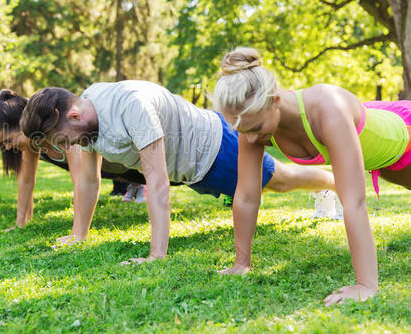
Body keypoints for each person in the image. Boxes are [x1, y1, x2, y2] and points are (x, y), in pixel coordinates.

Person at [20, 81, 339, 263]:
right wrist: (78, 236)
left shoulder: (131, 106)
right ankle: (325, 182)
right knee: (276, 182)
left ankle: (329, 182)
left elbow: (156, 182)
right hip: (192, 171)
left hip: (216, 149)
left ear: (73, 115)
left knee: (280, 181)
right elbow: (88, 180)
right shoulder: (85, 122)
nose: (68, 147)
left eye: (63, 140)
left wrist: (156, 255)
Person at [212, 47, 411, 305]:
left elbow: (353, 202)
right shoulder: (251, 121)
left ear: (275, 99)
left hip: (402, 136)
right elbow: (247, 195)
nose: (248, 138)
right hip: (381, 156)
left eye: (255, 129)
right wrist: (241, 264)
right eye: (241, 130)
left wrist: (366, 285)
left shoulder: (328, 109)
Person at [0, 90, 152, 232]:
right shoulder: (32, 142)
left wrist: (78, 233)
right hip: (118, 168)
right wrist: (20, 223)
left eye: (8, 140)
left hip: (128, 166)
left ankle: (138, 187)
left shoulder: (63, 134)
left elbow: (82, 181)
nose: (6, 147)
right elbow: (26, 181)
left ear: (22, 125)